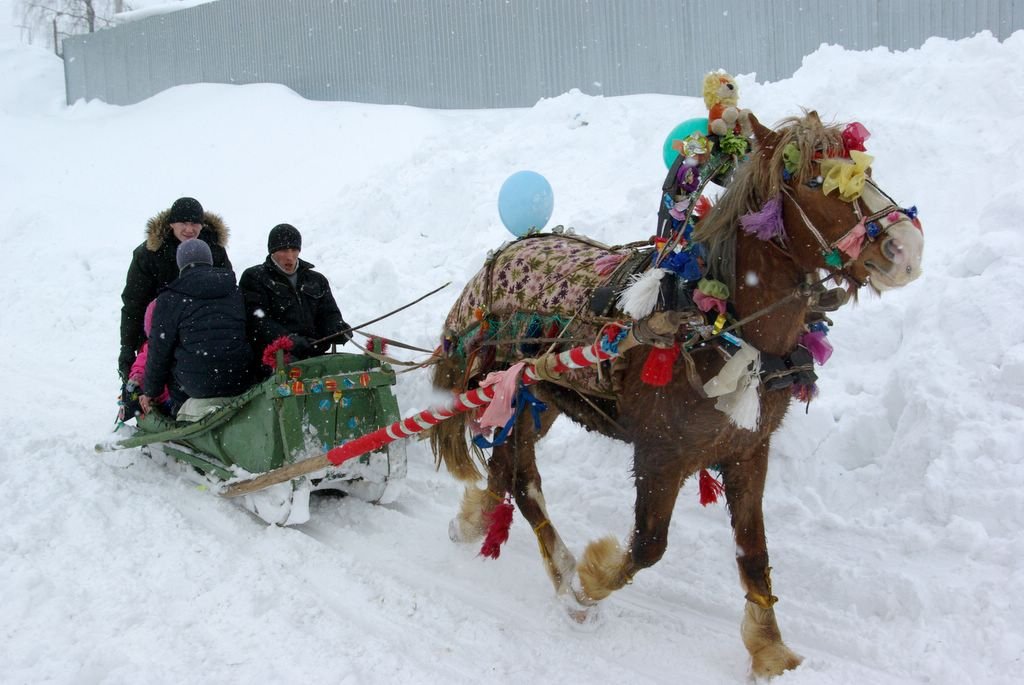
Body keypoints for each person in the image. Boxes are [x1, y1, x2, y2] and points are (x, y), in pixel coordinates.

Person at [118, 197, 231, 383]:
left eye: (195, 223)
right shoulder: (150, 255)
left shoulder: (214, 250)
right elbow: (134, 304)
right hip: (161, 330)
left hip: (204, 327)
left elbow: (226, 291)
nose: (189, 229)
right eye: (183, 223)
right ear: (172, 224)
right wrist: (128, 348)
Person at [139, 240, 253, 418]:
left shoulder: (170, 298)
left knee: (171, 355)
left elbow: (159, 351)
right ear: (210, 260)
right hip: (240, 378)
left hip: (197, 386)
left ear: (180, 264)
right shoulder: (234, 291)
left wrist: (150, 391)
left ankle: (178, 411)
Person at [239, 223, 351, 366]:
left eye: (294, 249)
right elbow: (257, 320)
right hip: (273, 362)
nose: (290, 257)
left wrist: (337, 329)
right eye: (284, 250)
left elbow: (329, 313)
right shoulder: (254, 277)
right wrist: (289, 340)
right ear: (272, 251)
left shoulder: (317, 280)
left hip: (316, 357)